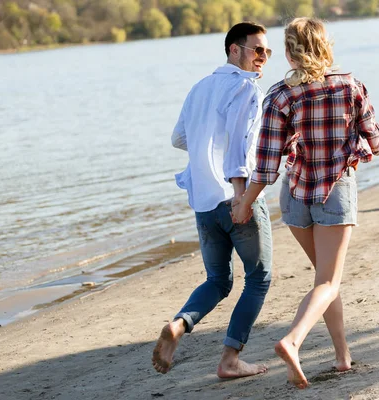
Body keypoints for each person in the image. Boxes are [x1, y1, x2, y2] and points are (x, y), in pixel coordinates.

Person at [232, 17, 379, 388]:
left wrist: (245, 204)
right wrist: (357, 149)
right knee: (329, 281)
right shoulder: (350, 85)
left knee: (325, 280)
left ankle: (342, 356)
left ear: (288, 52)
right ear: (324, 46)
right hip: (335, 190)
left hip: (296, 195)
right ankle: (293, 340)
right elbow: (377, 141)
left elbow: (266, 165)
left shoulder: (279, 95)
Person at [152, 22, 273, 379]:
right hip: (234, 198)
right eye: (257, 50)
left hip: (203, 203)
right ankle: (230, 360)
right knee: (259, 277)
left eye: (267, 51)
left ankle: (178, 325)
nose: (263, 57)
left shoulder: (199, 88)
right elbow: (240, 145)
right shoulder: (247, 88)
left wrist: (207, 151)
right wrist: (241, 196)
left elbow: (178, 138)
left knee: (218, 280)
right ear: (234, 50)